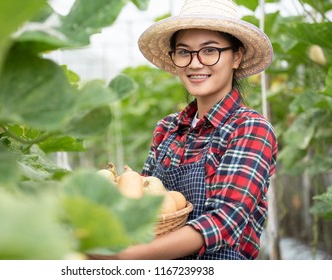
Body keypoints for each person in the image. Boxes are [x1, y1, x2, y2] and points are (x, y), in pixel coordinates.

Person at [91, 0, 278, 260]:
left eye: (210, 51)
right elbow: (146, 205)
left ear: (236, 56)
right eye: (183, 52)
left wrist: (127, 257)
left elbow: (224, 221)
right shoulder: (167, 129)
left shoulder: (249, 127)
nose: (195, 63)